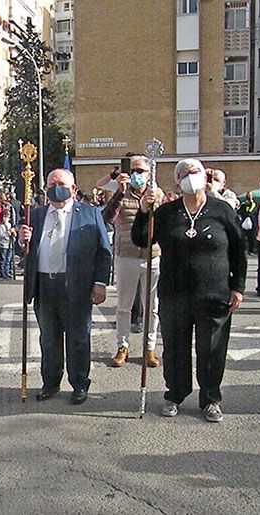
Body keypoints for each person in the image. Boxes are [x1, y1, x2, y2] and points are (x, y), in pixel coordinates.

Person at [132, 158, 247, 422]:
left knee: (212, 349)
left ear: (205, 178)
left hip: (215, 293)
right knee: (174, 348)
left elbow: (239, 250)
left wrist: (238, 287)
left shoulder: (223, 210)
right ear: (176, 181)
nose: (189, 176)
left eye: (193, 172)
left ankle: (210, 399)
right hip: (175, 293)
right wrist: (143, 211)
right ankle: (175, 393)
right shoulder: (166, 212)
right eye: (183, 174)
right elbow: (142, 239)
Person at [19, 168, 112, 405]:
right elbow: (28, 253)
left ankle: (80, 383)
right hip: (44, 285)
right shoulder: (36, 215)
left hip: (76, 286)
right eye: (50, 183)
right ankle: (50, 382)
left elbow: (103, 252)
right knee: (48, 339)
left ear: (73, 189)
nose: (54, 187)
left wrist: (100, 283)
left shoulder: (89, 214)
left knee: (78, 339)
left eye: (60, 183)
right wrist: (22, 240)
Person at [102, 155, 163, 368]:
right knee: (124, 306)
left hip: (151, 255)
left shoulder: (157, 194)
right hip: (125, 255)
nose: (137, 175)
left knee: (152, 307)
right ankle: (122, 346)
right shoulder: (120, 192)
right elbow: (108, 217)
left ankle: (150, 347)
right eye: (133, 170)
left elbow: (164, 220)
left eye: (141, 171)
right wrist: (119, 191)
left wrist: (155, 204)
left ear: (149, 173)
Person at [0, 208, 15, 279]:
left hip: (10, 244)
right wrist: (8, 233)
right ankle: (2, 273)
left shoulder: (10, 225)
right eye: (4, 217)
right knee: (3, 259)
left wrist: (13, 234)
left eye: (7, 217)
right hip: (3, 244)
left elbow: (13, 236)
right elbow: (1, 235)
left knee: (8, 260)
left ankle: (7, 272)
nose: (6, 219)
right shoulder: (1, 226)